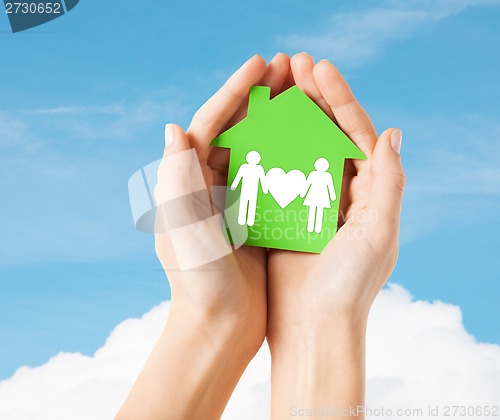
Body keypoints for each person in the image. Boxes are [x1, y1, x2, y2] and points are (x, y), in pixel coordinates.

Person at [116, 52, 405, 420]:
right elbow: (248, 184)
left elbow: (307, 186)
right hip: (253, 204)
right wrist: (212, 313)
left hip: (307, 207)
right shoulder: (254, 171)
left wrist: (317, 326)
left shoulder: (312, 174)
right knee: (256, 208)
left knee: (304, 213)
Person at [231, 150, 268, 226]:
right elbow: (238, 176)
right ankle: (241, 220)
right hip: (245, 189)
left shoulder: (259, 168)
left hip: (253, 190)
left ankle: (250, 221)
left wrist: (265, 189)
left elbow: (262, 179)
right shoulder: (244, 167)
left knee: (252, 205)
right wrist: (234, 185)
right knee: (243, 204)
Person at [300, 157, 336, 233]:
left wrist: (332, 196)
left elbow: (330, 186)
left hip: (322, 195)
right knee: (312, 211)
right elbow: (307, 184)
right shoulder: (313, 174)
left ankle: (318, 228)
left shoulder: (327, 175)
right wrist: (303, 193)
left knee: (319, 212)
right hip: (313, 194)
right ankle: (310, 227)